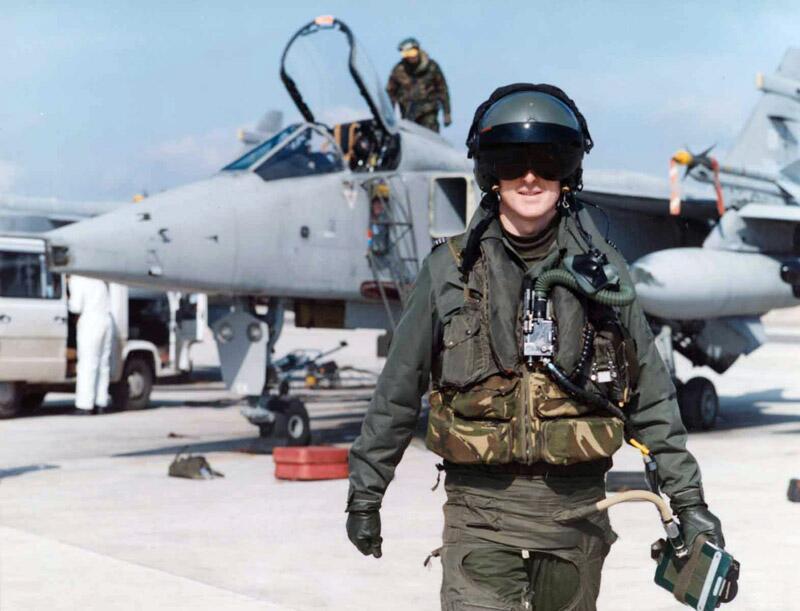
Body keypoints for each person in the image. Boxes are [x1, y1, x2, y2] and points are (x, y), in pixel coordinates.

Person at [346, 84, 726, 610]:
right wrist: (366, 493)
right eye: (512, 162)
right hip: (480, 514)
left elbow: (653, 399)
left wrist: (688, 501)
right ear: (491, 174)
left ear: (569, 173)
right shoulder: (449, 272)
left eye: (548, 162)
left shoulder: (605, 277)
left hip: (575, 517)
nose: (530, 178)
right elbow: (397, 390)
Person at [68, 275, 113, 415]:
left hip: (90, 320)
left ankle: (84, 405)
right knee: (103, 365)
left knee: (87, 364)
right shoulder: (98, 277)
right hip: (106, 319)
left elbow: (75, 307)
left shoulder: (77, 279)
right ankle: (101, 402)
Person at [386, 37, 451, 133]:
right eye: (406, 54)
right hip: (408, 115)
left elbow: (443, 90)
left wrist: (447, 113)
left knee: (429, 137)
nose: (411, 57)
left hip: (428, 112)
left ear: (418, 50)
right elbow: (390, 93)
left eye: (412, 52)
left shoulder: (432, 67)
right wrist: (388, 117)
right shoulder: (398, 70)